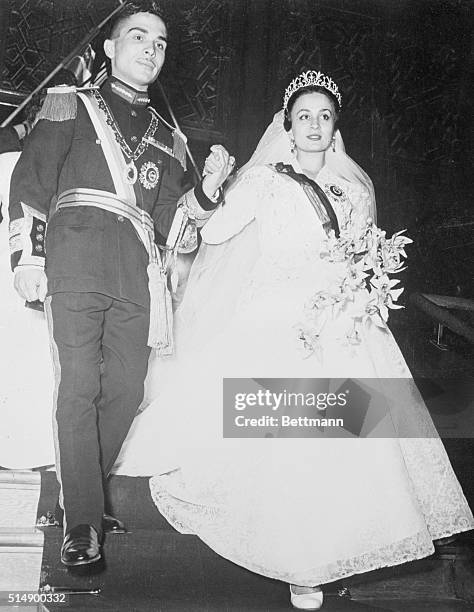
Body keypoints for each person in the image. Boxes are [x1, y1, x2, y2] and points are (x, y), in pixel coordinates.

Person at [115, 70, 473, 610]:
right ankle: (295, 558)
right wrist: (212, 188)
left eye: (324, 117)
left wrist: (366, 285)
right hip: (273, 322)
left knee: (345, 447)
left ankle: (328, 551)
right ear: (287, 126)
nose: (314, 125)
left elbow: (363, 253)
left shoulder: (354, 188)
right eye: (303, 116)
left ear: (335, 130)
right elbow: (213, 233)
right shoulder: (263, 182)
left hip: (343, 326)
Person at [9, 0, 234, 568]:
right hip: (74, 259)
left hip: (136, 275)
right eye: (138, 38)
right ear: (110, 48)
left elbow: (174, 231)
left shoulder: (168, 138)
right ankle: (83, 523)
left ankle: (75, 491)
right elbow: (30, 181)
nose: (151, 50)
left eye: (160, 43)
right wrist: (27, 259)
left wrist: (207, 191)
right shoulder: (71, 104)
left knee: (128, 391)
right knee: (79, 384)